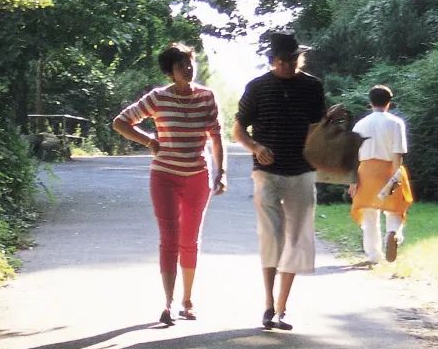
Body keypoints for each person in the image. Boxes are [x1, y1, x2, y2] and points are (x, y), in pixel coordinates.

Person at [112, 43, 226, 327]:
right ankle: (169, 302)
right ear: (170, 72)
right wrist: (149, 141)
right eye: (180, 66)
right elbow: (121, 122)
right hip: (164, 177)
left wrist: (221, 172)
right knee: (169, 239)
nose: (187, 68)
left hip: (197, 177)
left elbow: (216, 136)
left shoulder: (206, 96)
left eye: (189, 63)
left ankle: (188, 300)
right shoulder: (158, 97)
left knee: (190, 239)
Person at [233, 31, 329, 331]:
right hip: (267, 172)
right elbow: (238, 129)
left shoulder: (312, 86)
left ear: (299, 58)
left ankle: (282, 308)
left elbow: (318, 128)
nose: (288, 64)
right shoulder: (257, 87)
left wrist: (329, 123)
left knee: (297, 239)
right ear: (272, 60)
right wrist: (256, 147)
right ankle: (268, 303)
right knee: (271, 236)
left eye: (292, 59)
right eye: (282, 60)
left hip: (302, 170)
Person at [349, 85, 414, 264]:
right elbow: (398, 153)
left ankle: (374, 256)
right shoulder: (396, 123)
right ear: (389, 102)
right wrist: (396, 177)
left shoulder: (360, 125)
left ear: (370, 102)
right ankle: (393, 232)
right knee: (395, 209)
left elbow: (353, 155)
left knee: (369, 215)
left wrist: (353, 181)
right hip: (389, 169)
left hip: (365, 171)